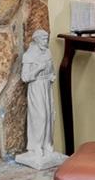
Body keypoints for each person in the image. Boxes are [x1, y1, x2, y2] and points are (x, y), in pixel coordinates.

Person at [15, 31, 66, 169]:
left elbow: (51, 71)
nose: (46, 41)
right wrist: (37, 69)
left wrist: (51, 76)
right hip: (36, 87)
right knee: (40, 116)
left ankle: (47, 145)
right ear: (37, 40)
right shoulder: (29, 56)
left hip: (46, 87)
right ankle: (35, 146)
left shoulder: (47, 53)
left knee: (49, 116)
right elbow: (25, 77)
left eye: (47, 39)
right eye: (43, 39)